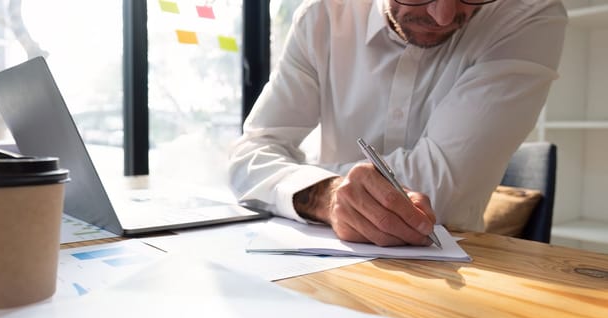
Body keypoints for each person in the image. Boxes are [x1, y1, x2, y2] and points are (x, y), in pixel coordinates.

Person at [228, 0, 567, 246]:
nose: (443, 15)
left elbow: (436, 197)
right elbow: (249, 157)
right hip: (322, 264)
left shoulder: (529, 14)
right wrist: (324, 194)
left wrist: (298, 179)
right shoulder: (322, 17)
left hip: (458, 272)